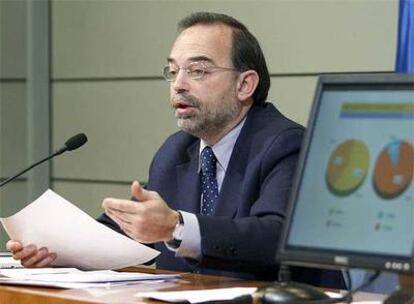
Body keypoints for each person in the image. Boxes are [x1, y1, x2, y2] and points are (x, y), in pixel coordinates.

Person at [7, 12, 344, 287]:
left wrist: (177, 228)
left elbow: (275, 236)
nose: (179, 84)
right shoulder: (176, 151)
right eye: (174, 70)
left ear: (245, 85)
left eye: (197, 70)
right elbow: (129, 230)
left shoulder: (286, 144)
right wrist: (57, 248)